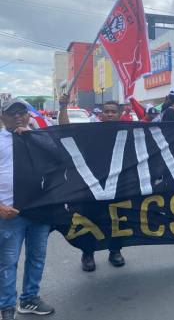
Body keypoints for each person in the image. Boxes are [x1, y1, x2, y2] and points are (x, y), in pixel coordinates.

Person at [0, 98, 55, 319]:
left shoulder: (39, 137)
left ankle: (29, 299)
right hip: (10, 213)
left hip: (40, 209)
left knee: (37, 257)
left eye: (22, 112)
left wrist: (33, 137)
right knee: (8, 261)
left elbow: (58, 156)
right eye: (12, 112)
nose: (18, 116)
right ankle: (6, 307)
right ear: (1, 117)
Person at [58, 95, 126, 271]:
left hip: (118, 186)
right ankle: (88, 254)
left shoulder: (130, 131)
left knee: (117, 220)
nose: (110, 114)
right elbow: (65, 129)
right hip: (92, 186)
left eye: (113, 112)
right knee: (90, 220)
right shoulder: (90, 130)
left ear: (120, 114)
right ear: (100, 114)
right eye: (106, 112)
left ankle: (115, 251)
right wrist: (63, 107)